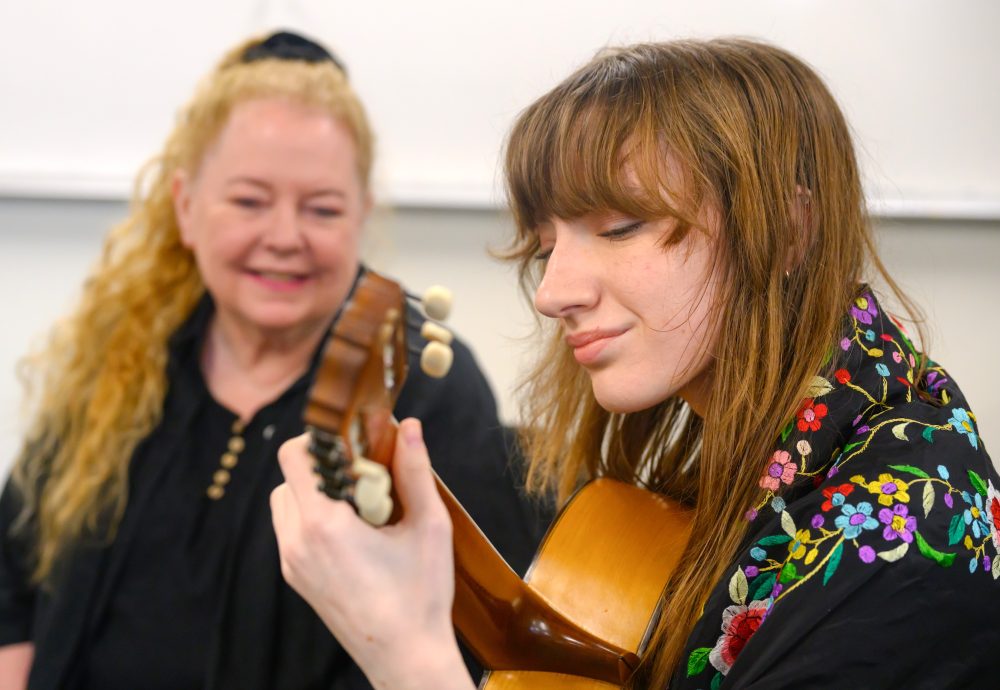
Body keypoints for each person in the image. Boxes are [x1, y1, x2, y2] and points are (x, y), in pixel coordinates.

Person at [270, 38, 1000, 689]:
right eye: (547, 246)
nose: (552, 293)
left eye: (620, 227)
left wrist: (405, 652)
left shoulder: (904, 532)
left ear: (786, 230)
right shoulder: (794, 441)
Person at [0, 30, 544, 690]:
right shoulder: (121, 355)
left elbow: (478, 650)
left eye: (322, 209)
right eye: (249, 201)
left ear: (360, 217)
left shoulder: (427, 388)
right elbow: (13, 581)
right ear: (186, 208)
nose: (284, 237)